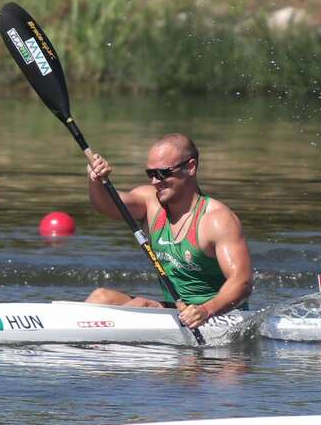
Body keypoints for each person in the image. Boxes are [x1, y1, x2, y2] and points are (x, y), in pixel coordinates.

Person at [84, 133, 252, 330]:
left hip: (220, 315)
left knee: (140, 305)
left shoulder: (217, 220)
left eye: (163, 173)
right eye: (151, 173)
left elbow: (242, 283)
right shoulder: (150, 203)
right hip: (178, 310)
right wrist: (96, 180)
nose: (155, 181)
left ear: (191, 167)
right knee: (101, 297)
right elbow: (107, 205)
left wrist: (206, 310)